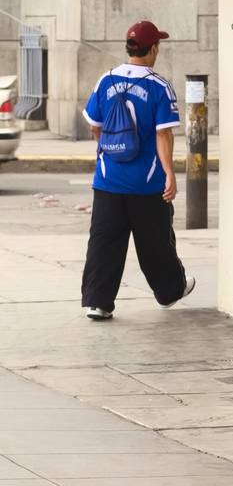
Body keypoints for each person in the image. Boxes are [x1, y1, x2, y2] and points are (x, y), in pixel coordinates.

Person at [80, 20, 195, 321]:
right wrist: (169, 173)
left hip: (108, 181)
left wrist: (109, 151)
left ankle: (98, 302)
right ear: (153, 48)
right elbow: (163, 134)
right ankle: (170, 292)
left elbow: (94, 125)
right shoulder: (159, 86)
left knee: (104, 242)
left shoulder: (105, 79)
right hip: (146, 185)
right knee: (156, 241)